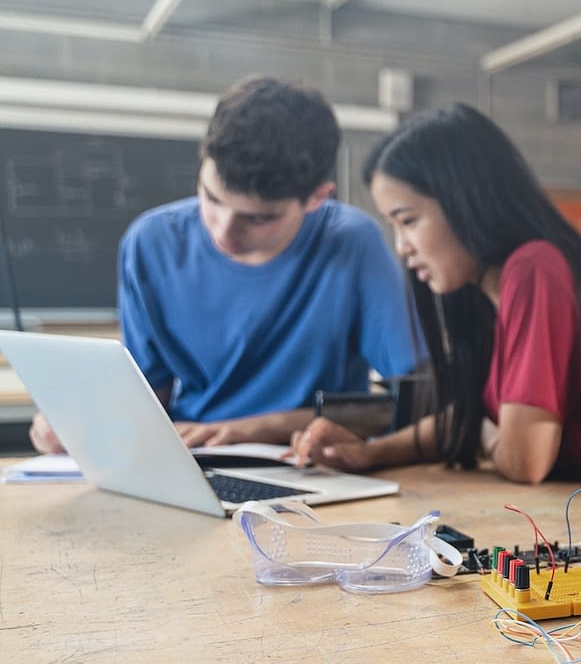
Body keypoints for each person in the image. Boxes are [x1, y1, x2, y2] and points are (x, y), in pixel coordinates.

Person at [288, 104, 581, 507]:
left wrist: (487, 433)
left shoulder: (535, 268)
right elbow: (468, 420)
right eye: (393, 226)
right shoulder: (488, 294)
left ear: (464, 201)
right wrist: (369, 453)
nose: (402, 248)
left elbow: (525, 460)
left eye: (409, 221)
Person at [29, 75, 421, 454]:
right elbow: (148, 401)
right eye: (211, 199)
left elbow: (412, 403)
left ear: (317, 198)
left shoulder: (353, 244)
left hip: (308, 465)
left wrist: (252, 431)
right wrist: (78, 423)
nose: (223, 233)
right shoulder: (150, 244)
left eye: (258, 218)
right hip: (191, 459)